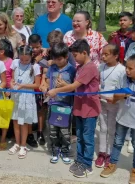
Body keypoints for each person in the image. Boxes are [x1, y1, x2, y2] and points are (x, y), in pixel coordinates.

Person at [46, 40, 100, 178]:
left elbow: (73, 86)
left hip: (89, 109)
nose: (73, 58)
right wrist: (63, 83)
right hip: (79, 107)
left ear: (84, 53)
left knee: (87, 138)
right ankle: (80, 160)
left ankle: (87, 164)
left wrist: (56, 91)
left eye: (75, 55)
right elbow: (76, 86)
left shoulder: (90, 67)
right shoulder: (81, 66)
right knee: (80, 136)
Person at [100, 54, 135, 184]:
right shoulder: (123, 78)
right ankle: (112, 164)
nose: (127, 70)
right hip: (122, 118)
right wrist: (122, 94)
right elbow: (115, 96)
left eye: (130, 68)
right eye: (126, 68)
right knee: (117, 142)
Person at [42, 42, 76, 165]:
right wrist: (44, 86)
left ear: (66, 57)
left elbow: (75, 87)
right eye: (54, 59)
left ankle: (65, 151)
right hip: (53, 104)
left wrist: (64, 86)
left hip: (66, 105)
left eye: (59, 59)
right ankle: (55, 150)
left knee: (65, 131)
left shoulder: (72, 69)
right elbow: (46, 80)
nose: (57, 61)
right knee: (53, 130)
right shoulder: (52, 67)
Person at [8, 46, 41, 159]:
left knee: (24, 122)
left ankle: (23, 145)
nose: (23, 61)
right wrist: (12, 85)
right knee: (16, 120)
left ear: (31, 56)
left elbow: (37, 85)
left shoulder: (35, 66)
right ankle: (17, 143)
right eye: (21, 59)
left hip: (27, 96)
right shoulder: (15, 63)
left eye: (26, 60)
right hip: (16, 95)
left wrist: (23, 85)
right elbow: (12, 79)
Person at [95, 44, 126, 169]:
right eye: (102, 54)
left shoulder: (122, 70)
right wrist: (97, 92)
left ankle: (109, 153)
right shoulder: (100, 67)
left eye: (106, 54)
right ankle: (102, 152)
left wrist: (115, 98)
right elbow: (97, 82)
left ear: (116, 56)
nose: (103, 56)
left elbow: (123, 89)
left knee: (112, 129)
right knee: (103, 127)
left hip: (114, 104)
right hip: (101, 102)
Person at [28, 34, 46, 145]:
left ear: (41, 45)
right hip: (29, 88)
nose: (35, 50)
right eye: (32, 47)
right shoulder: (26, 55)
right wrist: (35, 61)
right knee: (29, 110)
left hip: (40, 89)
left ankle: (40, 132)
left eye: (37, 47)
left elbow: (46, 70)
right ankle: (29, 134)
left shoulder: (45, 56)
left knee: (41, 110)